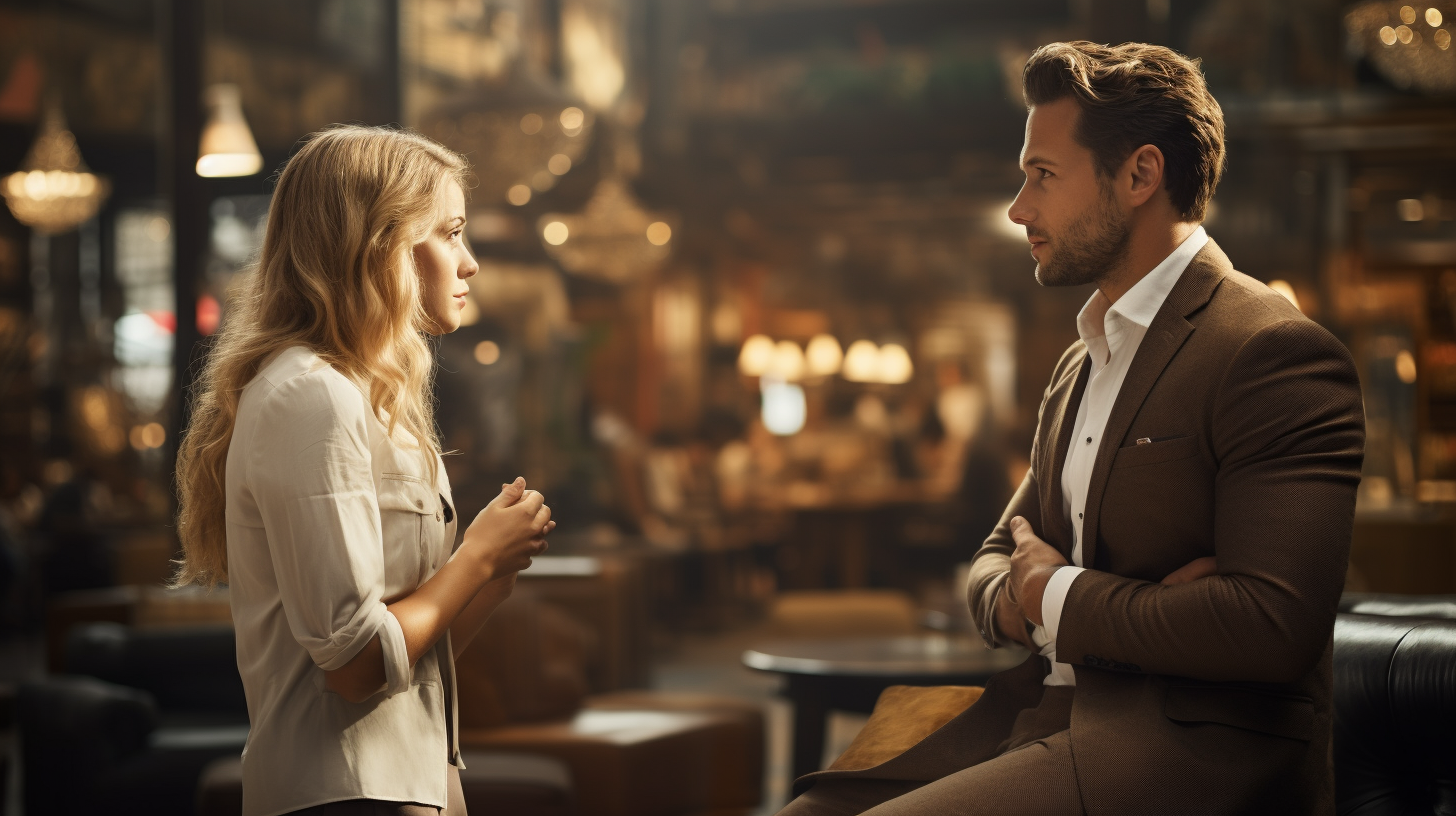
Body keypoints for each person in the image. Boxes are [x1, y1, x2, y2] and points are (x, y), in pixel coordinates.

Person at [779, 41, 1365, 815]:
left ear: (1139, 176)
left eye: (1042, 175)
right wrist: (1051, 595)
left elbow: (1269, 625)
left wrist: (1057, 592)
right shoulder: (1079, 362)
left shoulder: (1270, 350)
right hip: (1040, 717)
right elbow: (993, 560)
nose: (1020, 207)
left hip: (1188, 754)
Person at [174, 125, 555, 816]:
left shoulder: (372, 401)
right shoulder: (310, 396)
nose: (469, 263)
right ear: (382, 245)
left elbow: (405, 667)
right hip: (342, 795)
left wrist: (490, 576)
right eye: (450, 233)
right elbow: (353, 667)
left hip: (407, 782)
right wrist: (471, 560)